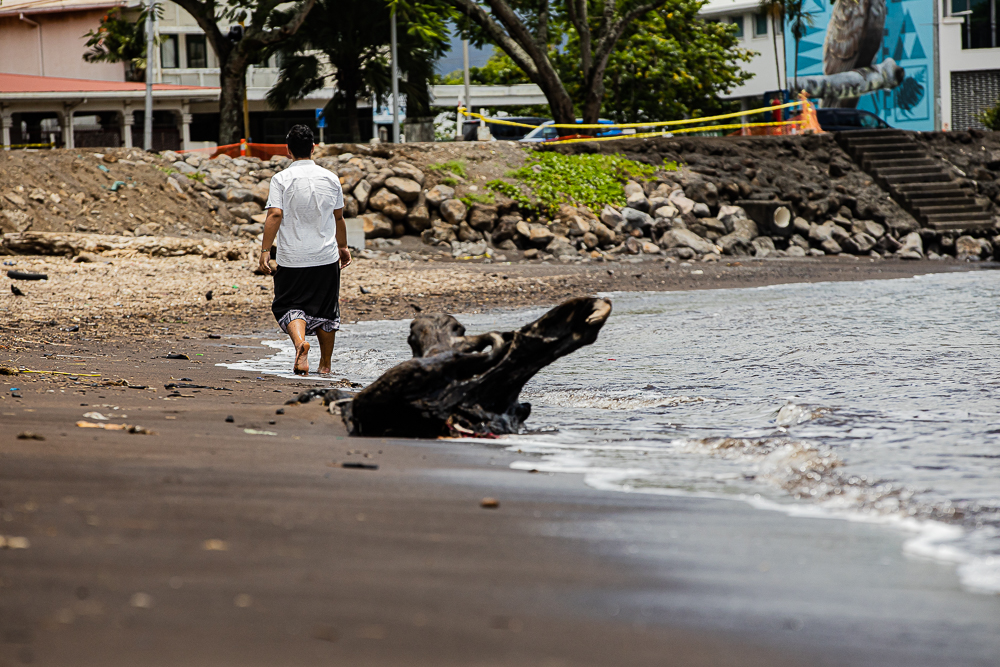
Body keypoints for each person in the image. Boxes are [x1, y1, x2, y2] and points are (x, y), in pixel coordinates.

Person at [258, 125, 351, 376]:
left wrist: (265, 250)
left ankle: (300, 345)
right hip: (326, 255)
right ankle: (325, 366)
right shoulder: (330, 178)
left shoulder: (281, 179)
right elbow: (339, 217)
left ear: (288, 151)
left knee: (288, 305)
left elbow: (275, 213)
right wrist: (343, 247)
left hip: (292, 258)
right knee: (326, 311)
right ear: (313, 148)